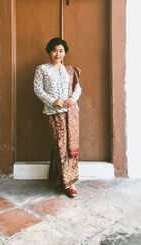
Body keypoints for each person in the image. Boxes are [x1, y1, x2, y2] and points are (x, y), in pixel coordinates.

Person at [33, 37, 82, 197]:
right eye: (54, 50)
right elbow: (38, 90)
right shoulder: (42, 69)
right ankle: (68, 183)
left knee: (69, 146)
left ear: (64, 52)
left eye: (61, 50)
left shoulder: (69, 70)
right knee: (61, 145)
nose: (57, 54)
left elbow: (78, 88)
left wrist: (71, 99)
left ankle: (58, 177)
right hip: (54, 113)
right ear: (49, 52)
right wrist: (54, 101)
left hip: (71, 113)